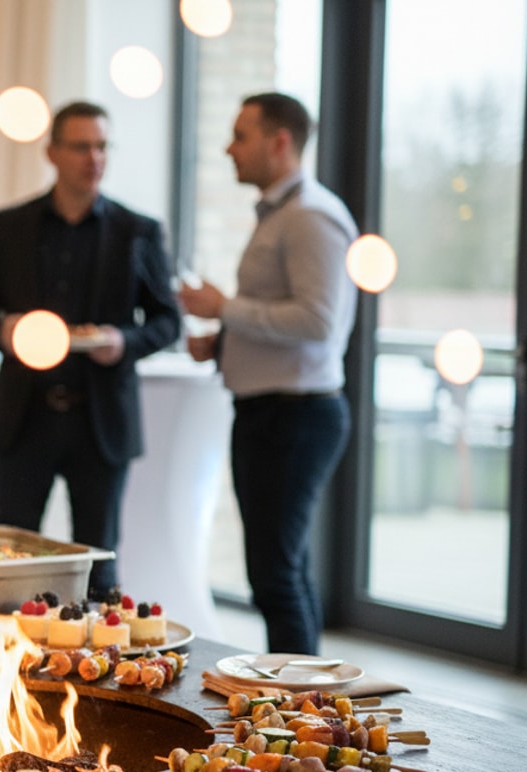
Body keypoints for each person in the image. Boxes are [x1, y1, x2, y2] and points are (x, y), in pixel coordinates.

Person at [0, 101, 180, 597]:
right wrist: (6, 328)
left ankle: (97, 668)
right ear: (53, 153)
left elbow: (168, 320)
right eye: (82, 146)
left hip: (100, 419)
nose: (94, 158)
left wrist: (122, 341)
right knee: (8, 559)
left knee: (98, 564)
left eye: (103, 146)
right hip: (26, 418)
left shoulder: (137, 231)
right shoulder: (11, 225)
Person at [179, 92, 358, 655]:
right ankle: (304, 705)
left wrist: (223, 309)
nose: (229, 148)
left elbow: (317, 321)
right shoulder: (286, 213)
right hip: (275, 410)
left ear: (280, 142)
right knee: (282, 571)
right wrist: (225, 343)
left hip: (295, 415)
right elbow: (286, 316)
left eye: (240, 135)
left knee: (275, 577)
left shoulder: (310, 217)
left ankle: (295, 715)